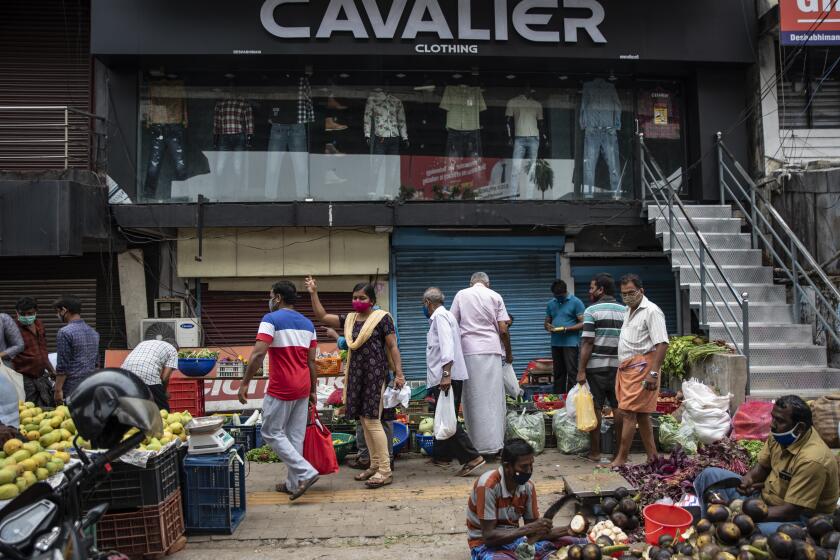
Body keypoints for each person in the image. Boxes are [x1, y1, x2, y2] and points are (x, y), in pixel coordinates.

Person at [306, 276, 405, 489]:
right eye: (354, 297)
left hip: (375, 376)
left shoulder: (382, 318)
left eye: (362, 298)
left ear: (371, 300)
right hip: (356, 376)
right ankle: (374, 464)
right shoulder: (350, 319)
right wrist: (313, 293)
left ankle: (385, 470)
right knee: (362, 420)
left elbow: (393, 346)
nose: (357, 301)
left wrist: (399, 373)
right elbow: (322, 316)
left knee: (371, 420)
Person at [693, 395, 839, 534]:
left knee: (747, 530)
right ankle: (709, 529)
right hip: (764, 501)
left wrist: (739, 513)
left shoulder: (812, 460)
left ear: (799, 428)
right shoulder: (780, 434)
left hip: (798, 518)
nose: (772, 424)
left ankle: (726, 532)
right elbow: (762, 467)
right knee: (709, 476)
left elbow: (790, 510)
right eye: (773, 417)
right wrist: (748, 479)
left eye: (780, 420)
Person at [237, 280, 321, 501]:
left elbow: (257, 354)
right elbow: (312, 362)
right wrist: (313, 390)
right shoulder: (308, 324)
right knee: (295, 436)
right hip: (303, 386)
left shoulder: (270, 319)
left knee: (270, 432)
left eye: (271, 295)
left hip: (281, 386)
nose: (270, 299)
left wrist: (245, 382)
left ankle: (306, 472)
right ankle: (295, 484)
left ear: (278, 298)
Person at [467, 438, 571, 559]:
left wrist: (569, 530)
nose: (529, 470)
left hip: (515, 540)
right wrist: (527, 529)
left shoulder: (528, 487)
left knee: (576, 541)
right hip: (484, 545)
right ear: (507, 466)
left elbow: (534, 533)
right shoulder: (488, 486)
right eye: (524, 466)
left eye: (531, 465)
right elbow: (489, 537)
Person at [423, 287, 486, 476]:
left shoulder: (440, 317)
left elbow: (447, 346)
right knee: (444, 416)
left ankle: (472, 457)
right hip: (450, 375)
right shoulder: (447, 315)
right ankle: (442, 456)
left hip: (446, 376)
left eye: (423, 304)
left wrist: (445, 374)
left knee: (447, 419)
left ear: (428, 303)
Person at [451, 272, 511, 457]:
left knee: (473, 398)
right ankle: (495, 445)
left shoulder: (461, 295)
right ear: (487, 283)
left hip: (468, 351)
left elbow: (452, 323)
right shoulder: (495, 296)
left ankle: (476, 446)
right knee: (493, 398)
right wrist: (509, 353)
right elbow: (503, 329)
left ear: (471, 283)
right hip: (491, 351)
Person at [611, 274, 668, 467]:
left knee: (627, 412)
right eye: (624, 294)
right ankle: (653, 458)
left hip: (643, 369)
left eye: (631, 293)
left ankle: (622, 458)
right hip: (629, 369)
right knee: (642, 414)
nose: (627, 297)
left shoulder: (652, 311)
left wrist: (653, 373)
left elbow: (662, 344)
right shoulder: (629, 310)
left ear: (641, 291)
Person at [324, 326, 394, 471]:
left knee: (366, 420)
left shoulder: (369, 321)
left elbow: (349, 343)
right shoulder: (386, 321)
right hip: (384, 374)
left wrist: (335, 336)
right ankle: (385, 460)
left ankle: (367, 459)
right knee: (383, 419)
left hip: (368, 376)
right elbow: (393, 346)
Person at [576, 274, 625, 463]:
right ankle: (618, 454)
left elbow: (587, 341)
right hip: (619, 368)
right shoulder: (625, 311)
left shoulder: (592, 311)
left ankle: (595, 452)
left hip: (596, 367)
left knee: (595, 407)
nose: (589, 291)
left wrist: (581, 370)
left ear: (600, 290)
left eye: (591, 288)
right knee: (618, 407)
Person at [53, 295, 100, 405]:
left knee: (69, 420)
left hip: (71, 388)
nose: (58, 315)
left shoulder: (64, 332)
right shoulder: (94, 332)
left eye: (58, 311)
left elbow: (62, 366)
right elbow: (97, 364)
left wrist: (58, 390)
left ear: (64, 310)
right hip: (90, 386)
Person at [12, 297, 55, 408]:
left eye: (30, 313)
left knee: (47, 408)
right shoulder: (12, 328)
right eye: (23, 314)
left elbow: (43, 351)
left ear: (36, 312)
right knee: (27, 410)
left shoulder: (39, 325)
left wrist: (51, 370)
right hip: (23, 378)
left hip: (41, 376)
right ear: (17, 313)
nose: (26, 317)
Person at [543, 279, 584, 395]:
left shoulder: (576, 302)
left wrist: (567, 329)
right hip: (556, 343)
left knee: (572, 372)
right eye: (556, 296)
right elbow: (546, 322)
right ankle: (558, 399)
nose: (558, 298)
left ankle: (571, 399)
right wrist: (548, 326)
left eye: (560, 296)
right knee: (558, 373)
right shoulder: (551, 303)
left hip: (570, 344)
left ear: (566, 291)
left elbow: (584, 323)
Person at [121, 339, 179, 411]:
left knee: (130, 408)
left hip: (124, 374)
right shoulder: (172, 350)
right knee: (163, 409)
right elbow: (165, 378)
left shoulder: (144, 343)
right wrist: (163, 392)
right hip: (147, 374)